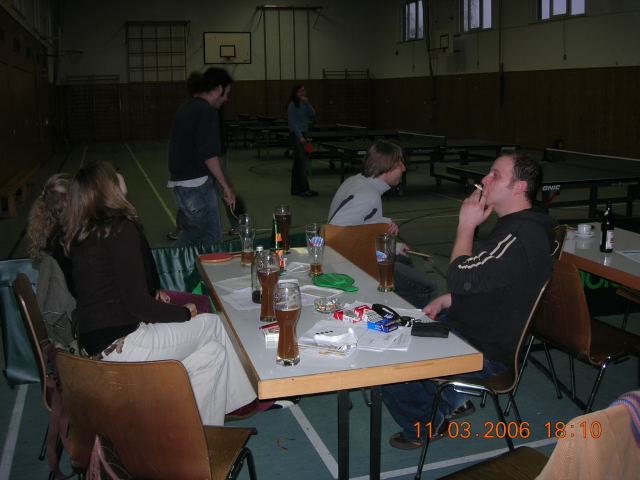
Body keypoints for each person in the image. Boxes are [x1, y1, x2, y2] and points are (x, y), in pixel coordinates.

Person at [383, 152, 556, 449]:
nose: (484, 179)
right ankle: (449, 398)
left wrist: (466, 226)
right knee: (392, 332)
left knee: (387, 361)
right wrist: (450, 299)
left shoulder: (520, 234)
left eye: (495, 175)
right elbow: (497, 280)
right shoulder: (517, 226)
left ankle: (426, 422)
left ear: (519, 187)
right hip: (471, 325)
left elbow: (461, 277)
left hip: (484, 351)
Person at [64, 161, 256, 426]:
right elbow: (139, 305)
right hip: (123, 345)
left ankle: (200, 431)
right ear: (108, 188)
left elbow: (110, 292)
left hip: (96, 346)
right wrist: (183, 313)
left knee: (213, 353)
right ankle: (244, 402)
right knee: (213, 324)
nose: (120, 176)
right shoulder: (119, 229)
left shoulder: (85, 233)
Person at [327, 140, 438, 307]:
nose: (404, 169)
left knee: (404, 259)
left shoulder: (357, 181)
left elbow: (357, 224)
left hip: (354, 256)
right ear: (388, 167)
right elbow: (336, 238)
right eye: (400, 164)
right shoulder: (368, 195)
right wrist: (390, 247)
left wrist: (382, 225)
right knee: (429, 287)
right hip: (351, 265)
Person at [167, 68, 236, 246]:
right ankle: (166, 262)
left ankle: (170, 261)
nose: (227, 99)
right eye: (227, 93)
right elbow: (210, 155)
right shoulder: (207, 111)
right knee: (211, 237)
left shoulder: (187, 107)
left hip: (181, 183)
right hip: (196, 185)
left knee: (194, 235)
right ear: (219, 89)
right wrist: (226, 187)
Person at [287, 84, 318, 197]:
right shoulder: (292, 105)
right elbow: (292, 123)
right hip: (297, 136)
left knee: (298, 163)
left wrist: (307, 103)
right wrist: (300, 137)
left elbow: (312, 113)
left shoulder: (304, 104)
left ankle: (295, 189)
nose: (302, 93)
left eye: (303, 91)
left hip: (304, 134)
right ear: (295, 93)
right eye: (300, 91)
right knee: (302, 163)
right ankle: (304, 189)